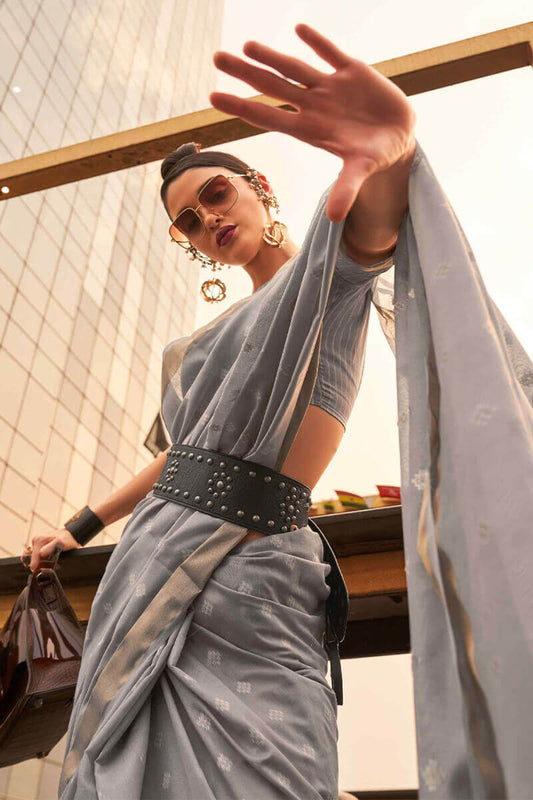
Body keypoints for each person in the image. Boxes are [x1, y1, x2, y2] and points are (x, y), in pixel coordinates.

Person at [23, 21, 533, 800]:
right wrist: (78, 528)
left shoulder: (324, 280)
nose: (207, 219)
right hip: (149, 564)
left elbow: (369, 233)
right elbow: (179, 457)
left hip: (257, 570)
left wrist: (391, 155)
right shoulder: (188, 349)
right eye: (187, 221)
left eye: (215, 194)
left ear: (257, 188)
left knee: (279, 775)